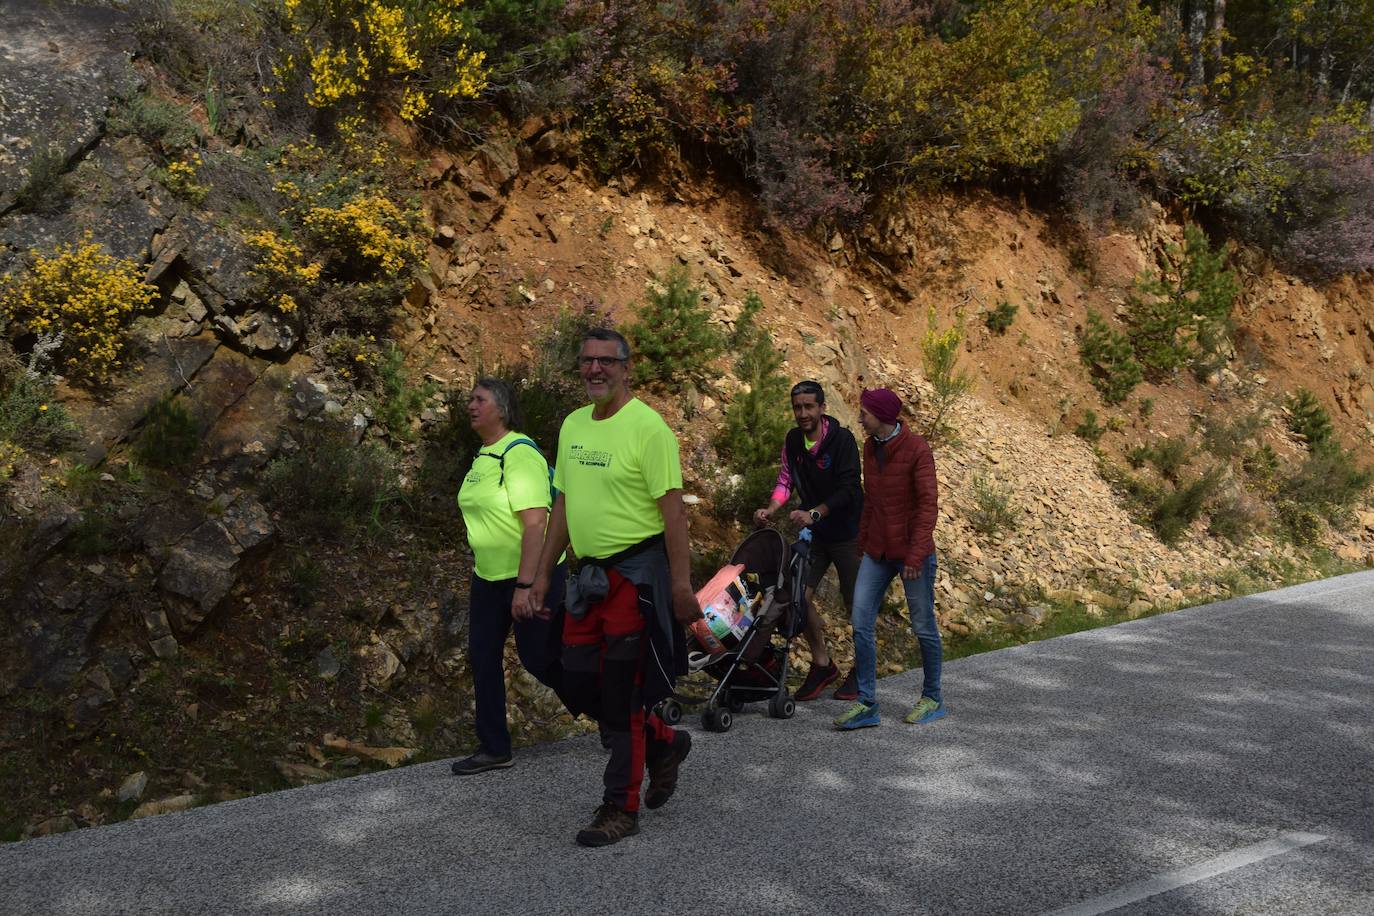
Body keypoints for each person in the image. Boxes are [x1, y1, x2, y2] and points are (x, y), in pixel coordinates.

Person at [526, 328, 701, 848]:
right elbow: (562, 506)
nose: (595, 369)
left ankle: (619, 806)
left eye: (606, 361)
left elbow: (673, 517)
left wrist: (680, 585)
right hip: (588, 578)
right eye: (586, 361)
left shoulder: (649, 430)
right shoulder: (574, 425)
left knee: (622, 693)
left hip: (636, 577)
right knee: (578, 680)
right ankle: (665, 742)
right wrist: (540, 573)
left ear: (627, 368)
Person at [452, 377, 568, 774]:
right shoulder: (484, 456)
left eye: (479, 399)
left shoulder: (519, 453)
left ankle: (613, 714)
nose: (470, 405)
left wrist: (526, 585)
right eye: (469, 399)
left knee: (542, 659)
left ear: (500, 408)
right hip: (487, 578)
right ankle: (494, 746)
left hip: (531, 576)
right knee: (482, 656)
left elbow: (536, 524)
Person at [834, 386, 944, 731]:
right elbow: (872, 500)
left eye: (864, 412)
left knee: (923, 625)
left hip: (912, 553)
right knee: (860, 620)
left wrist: (915, 553)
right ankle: (867, 703)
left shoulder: (917, 448)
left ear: (880, 415)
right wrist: (863, 541)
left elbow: (928, 505)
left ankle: (933, 697)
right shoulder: (870, 446)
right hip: (878, 551)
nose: (860, 417)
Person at [753, 380, 863, 701]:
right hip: (814, 534)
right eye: (797, 407)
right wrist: (771, 508)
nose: (802, 413)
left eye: (808, 407)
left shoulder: (842, 441)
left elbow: (849, 490)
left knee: (855, 604)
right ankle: (822, 664)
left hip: (848, 533)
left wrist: (815, 512)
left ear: (822, 408)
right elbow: (785, 480)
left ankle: (863, 668)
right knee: (797, 598)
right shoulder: (792, 441)